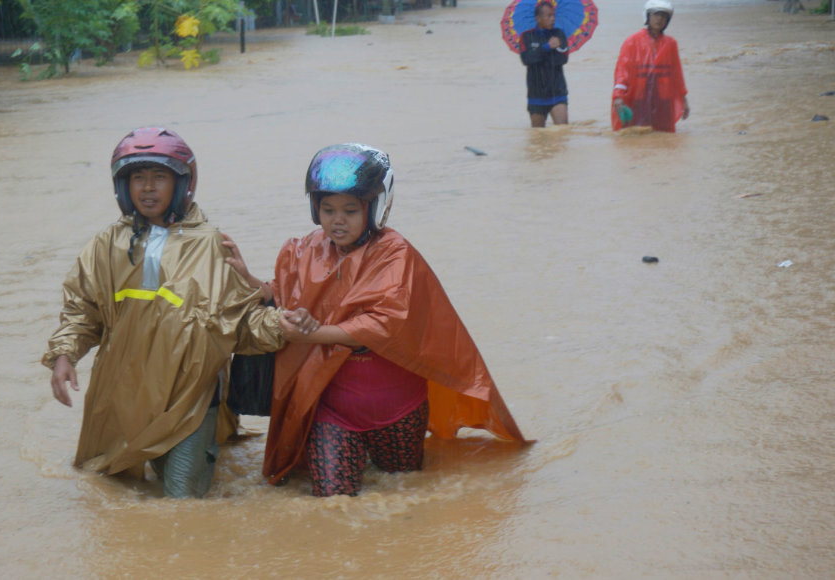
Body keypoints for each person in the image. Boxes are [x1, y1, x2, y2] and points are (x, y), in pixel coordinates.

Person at [223, 143, 530, 497]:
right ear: (314, 209)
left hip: (398, 409)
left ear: (375, 209)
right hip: (332, 408)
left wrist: (313, 333)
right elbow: (287, 293)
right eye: (327, 209)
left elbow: (381, 325)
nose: (337, 220)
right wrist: (251, 282)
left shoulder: (396, 253)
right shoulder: (305, 249)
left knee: (405, 490)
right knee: (333, 502)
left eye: (350, 210)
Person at [42, 127, 315, 498]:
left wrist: (280, 324)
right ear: (123, 186)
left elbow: (241, 322)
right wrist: (64, 355)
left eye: (159, 177)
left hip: (191, 396)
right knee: (112, 492)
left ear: (182, 183)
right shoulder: (105, 245)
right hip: (124, 396)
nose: (148, 188)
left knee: (184, 503)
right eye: (138, 178)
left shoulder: (211, 244)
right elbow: (82, 311)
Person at [611, 0, 690, 132]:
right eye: (656, 14)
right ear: (647, 16)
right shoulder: (632, 41)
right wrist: (618, 96)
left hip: (663, 98)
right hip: (639, 95)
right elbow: (622, 70)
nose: (660, 19)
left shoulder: (671, 44)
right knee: (635, 133)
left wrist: (683, 99)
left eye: (664, 16)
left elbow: (676, 74)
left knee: (664, 134)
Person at [520, 1, 569, 128]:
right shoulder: (526, 37)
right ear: (538, 18)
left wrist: (550, 50)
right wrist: (547, 47)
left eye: (553, 15)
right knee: (538, 137)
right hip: (535, 94)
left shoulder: (559, 34)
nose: (553, 19)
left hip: (557, 92)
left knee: (563, 132)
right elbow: (527, 59)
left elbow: (563, 59)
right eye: (548, 16)